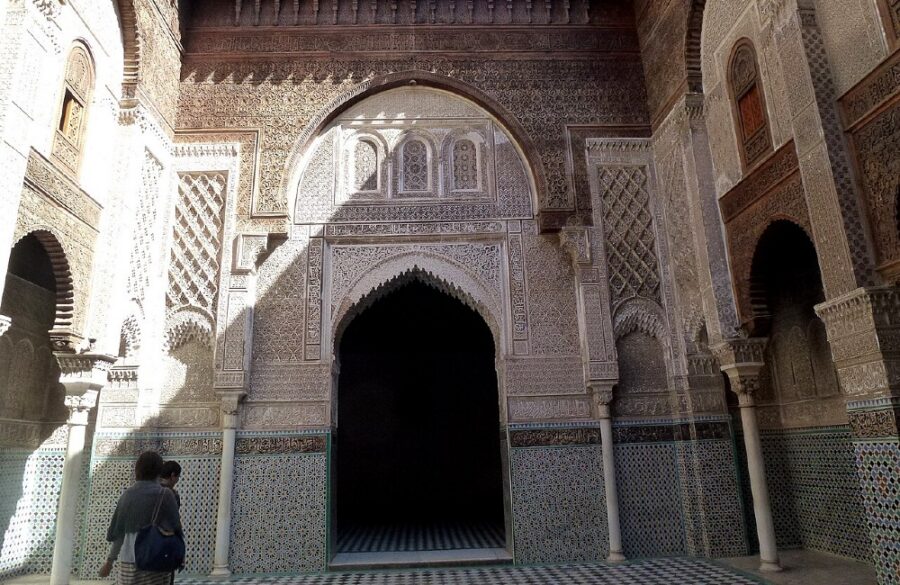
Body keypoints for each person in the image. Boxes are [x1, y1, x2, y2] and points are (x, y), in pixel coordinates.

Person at [100, 451, 183, 584]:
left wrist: (110, 561)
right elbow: (176, 529)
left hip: (128, 564)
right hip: (156, 561)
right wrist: (179, 557)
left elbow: (119, 534)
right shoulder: (166, 494)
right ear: (158, 470)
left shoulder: (127, 495)